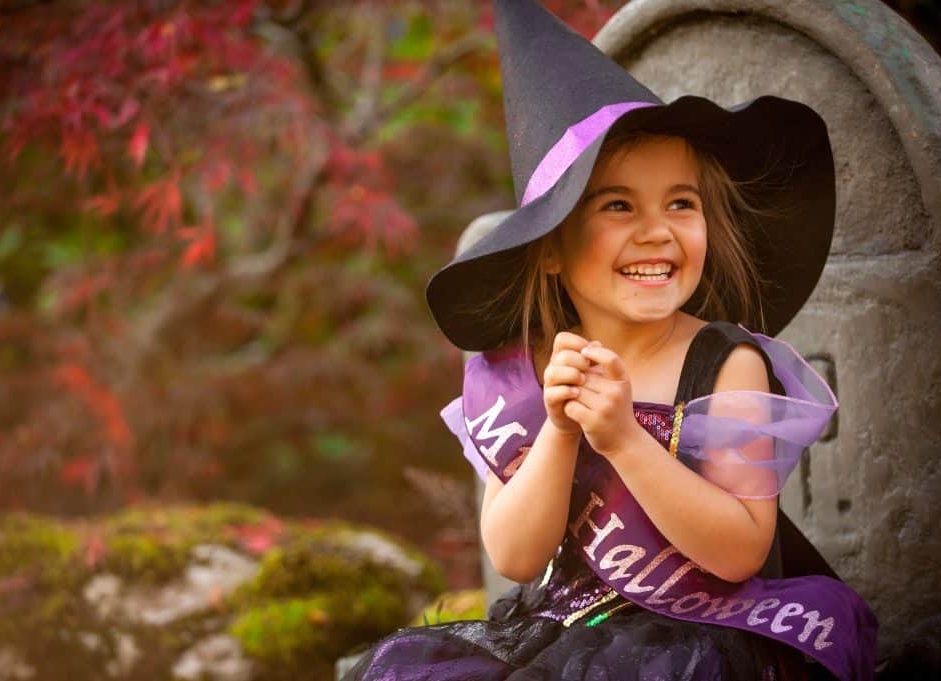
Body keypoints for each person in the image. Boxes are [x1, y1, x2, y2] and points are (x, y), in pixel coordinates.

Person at [346, 1, 877, 679]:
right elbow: (512, 555)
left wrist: (625, 437)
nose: (657, 230)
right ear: (550, 250)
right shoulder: (529, 371)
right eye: (618, 204)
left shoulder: (725, 363)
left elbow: (742, 549)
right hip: (562, 631)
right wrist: (561, 432)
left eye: (680, 203)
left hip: (705, 640)